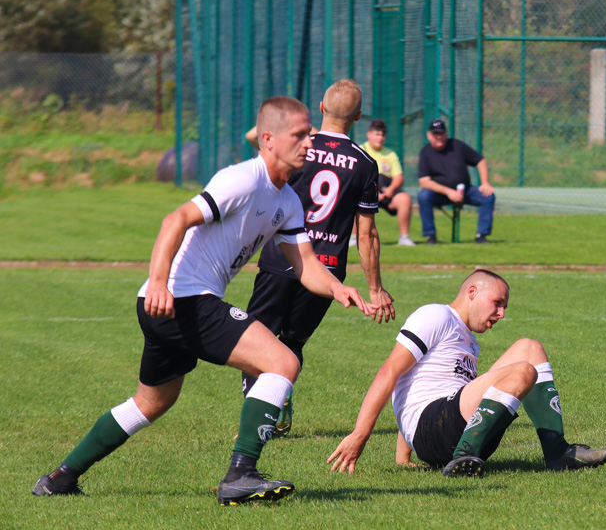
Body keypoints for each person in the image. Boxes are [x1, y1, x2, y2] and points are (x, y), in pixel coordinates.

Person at [32, 96, 378, 505]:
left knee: (151, 402)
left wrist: (339, 288)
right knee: (283, 361)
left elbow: (304, 263)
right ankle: (241, 474)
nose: (309, 144)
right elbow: (174, 219)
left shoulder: (287, 201)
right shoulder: (243, 180)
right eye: (300, 135)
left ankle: (60, 477)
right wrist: (160, 282)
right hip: (181, 298)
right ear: (268, 139)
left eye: (309, 134)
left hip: (173, 303)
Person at [328, 269, 606, 477]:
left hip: (451, 426)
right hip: (436, 429)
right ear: (472, 292)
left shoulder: (469, 341)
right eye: (497, 303)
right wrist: (360, 433)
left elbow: (419, 382)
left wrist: (402, 458)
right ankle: (464, 457)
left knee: (529, 347)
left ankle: (556, 450)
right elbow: (390, 373)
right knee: (522, 371)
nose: (502, 313)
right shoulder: (435, 315)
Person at [241, 80, 395, 437]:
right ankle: (277, 402)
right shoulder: (365, 163)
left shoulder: (300, 146)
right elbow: (367, 233)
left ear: (321, 108)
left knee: (255, 338)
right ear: (359, 116)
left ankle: (262, 416)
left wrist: (288, 123)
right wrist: (376, 288)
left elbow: (256, 137)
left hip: (282, 256)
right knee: (292, 341)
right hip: (327, 269)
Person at [417, 119, 496, 245]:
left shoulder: (457, 146)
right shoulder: (425, 152)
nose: (439, 137)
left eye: (441, 133)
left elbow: (480, 161)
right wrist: (449, 192)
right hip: (440, 194)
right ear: (429, 135)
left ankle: (481, 235)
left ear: (446, 134)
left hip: (466, 191)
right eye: (435, 134)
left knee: (488, 196)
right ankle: (430, 236)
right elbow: (424, 182)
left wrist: (485, 183)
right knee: (423, 196)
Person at [351, 118, 415, 247]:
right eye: (377, 134)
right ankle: (353, 237)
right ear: (369, 134)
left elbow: (398, 178)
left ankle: (404, 237)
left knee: (405, 199)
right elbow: (355, 177)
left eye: (382, 135)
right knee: (352, 197)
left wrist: (391, 190)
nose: (380, 138)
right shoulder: (360, 151)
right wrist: (371, 194)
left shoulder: (390, 154)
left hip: (386, 194)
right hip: (365, 193)